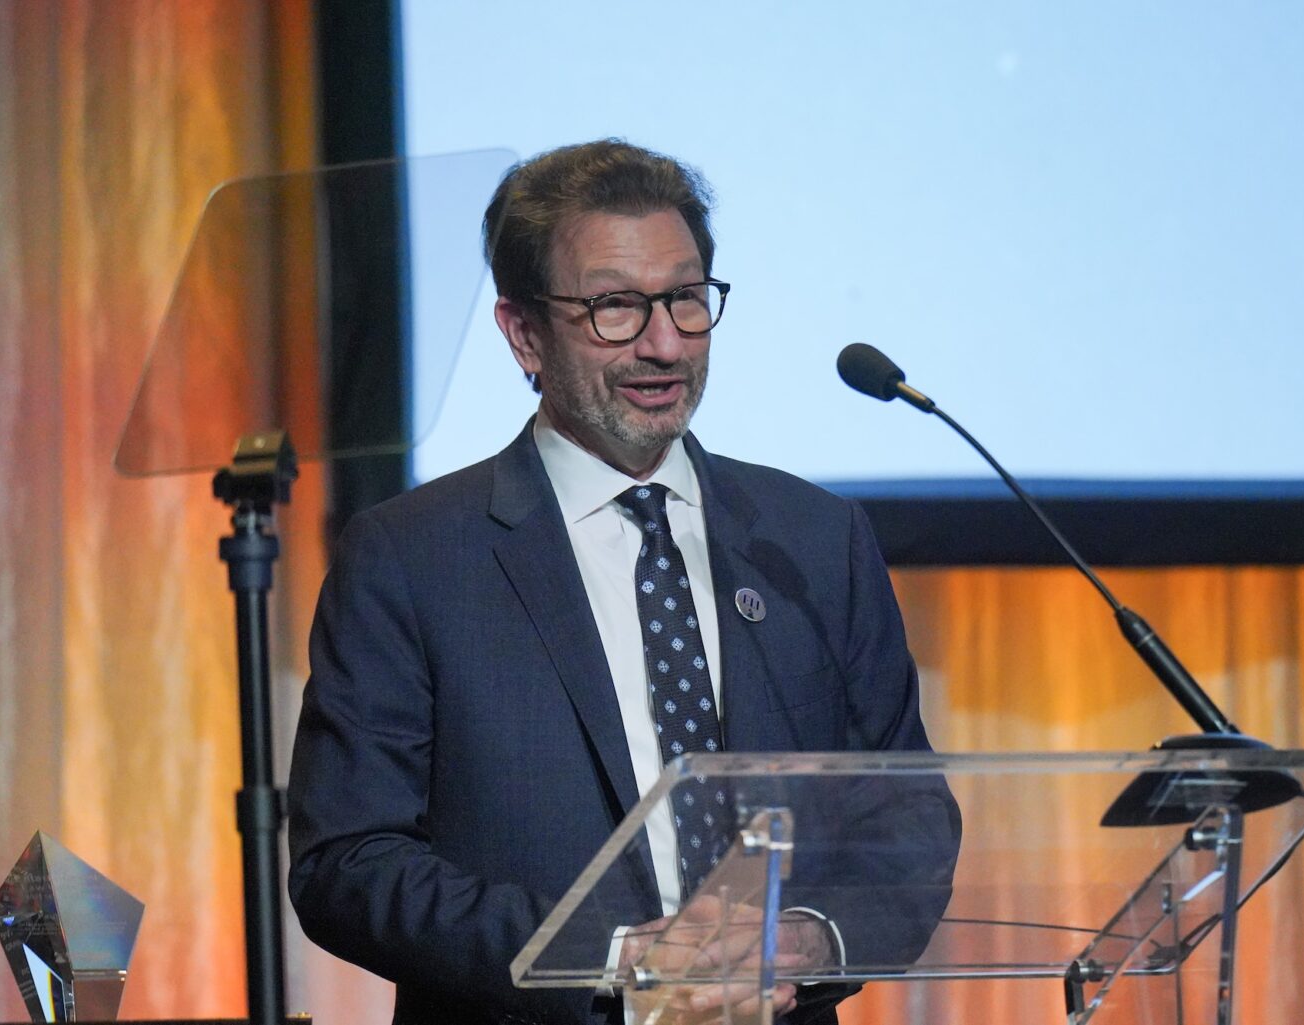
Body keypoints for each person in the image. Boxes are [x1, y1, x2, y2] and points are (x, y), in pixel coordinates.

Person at [287, 139, 959, 1025]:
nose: (664, 342)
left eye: (686, 298)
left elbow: (907, 824)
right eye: (614, 307)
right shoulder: (410, 560)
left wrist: (804, 938)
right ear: (524, 332)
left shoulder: (814, 540)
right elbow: (350, 862)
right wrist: (608, 957)